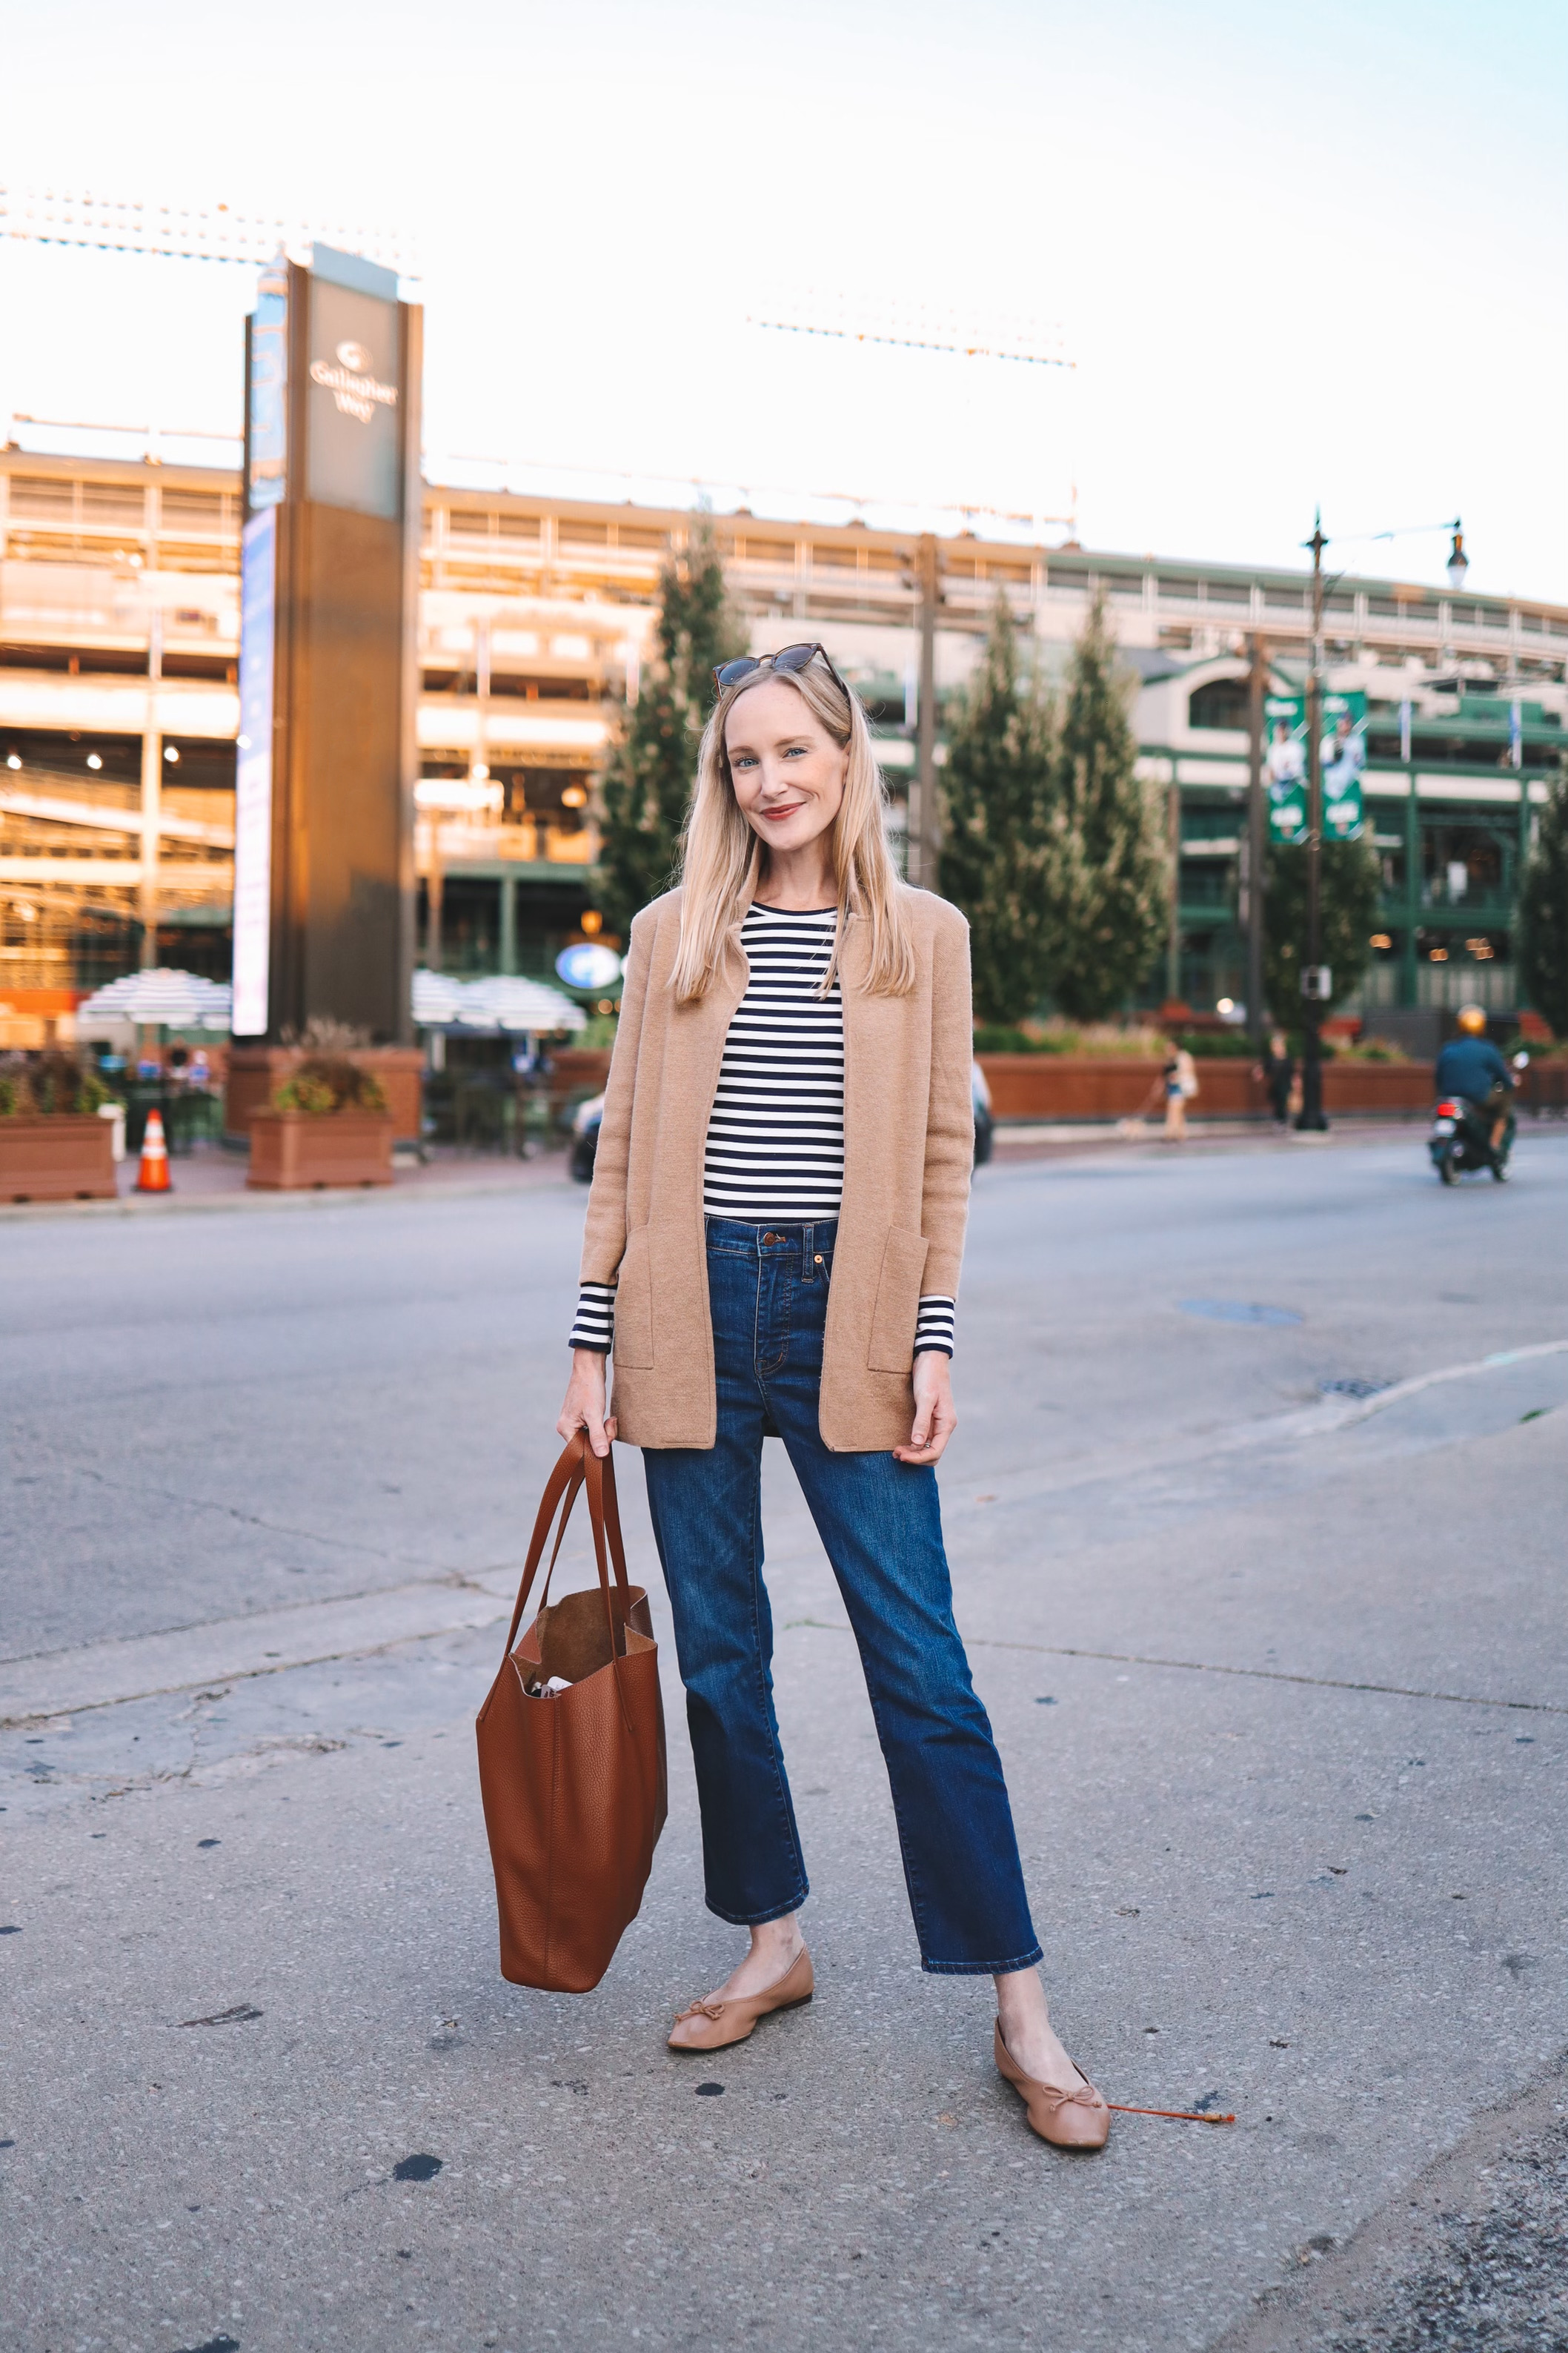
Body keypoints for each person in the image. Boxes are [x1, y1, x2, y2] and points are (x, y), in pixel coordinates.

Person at [556, 642, 1109, 2152]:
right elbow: (617, 1163)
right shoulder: (674, 933)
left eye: (793, 750)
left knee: (919, 1666)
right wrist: (588, 1346)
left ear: (848, 760)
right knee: (722, 1660)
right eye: (744, 759)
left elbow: (942, 1158)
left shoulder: (919, 937)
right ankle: (769, 1940)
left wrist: (933, 1337)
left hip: (844, 1321)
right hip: (688, 1315)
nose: (769, 780)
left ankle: (1018, 2002)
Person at [1435, 1003, 1515, 1153]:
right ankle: (1494, 1143)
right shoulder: (1487, 1048)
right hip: (1477, 1098)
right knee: (1505, 1099)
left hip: (1449, 1098)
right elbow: (1503, 1075)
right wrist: (1509, 1084)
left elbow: (1438, 1075)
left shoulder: (1448, 1048)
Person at [1257, 1029, 1294, 1126]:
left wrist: (1295, 1082)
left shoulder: (1288, 1059)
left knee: (1283, 1102)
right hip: (1274, 1086)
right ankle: (1279, 1120)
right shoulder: (1270, 1059)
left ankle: (1283, 1121)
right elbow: (1265, 1069)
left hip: (1285, 1085)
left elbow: (1292, 1072)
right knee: (1276, 1103)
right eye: (1275, 1046)